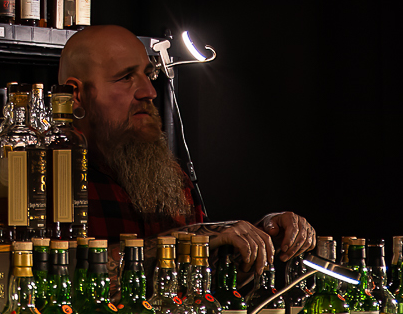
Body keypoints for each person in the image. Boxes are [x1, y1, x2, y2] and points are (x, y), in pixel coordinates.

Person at [59, 24, 314, 278]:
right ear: (75, 95)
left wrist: (261, 237)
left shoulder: (169, 176)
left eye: (149, 75)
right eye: (126, 77)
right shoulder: (52, 177)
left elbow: (201, 276)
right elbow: (60, 275)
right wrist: (191, 238)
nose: (149, 92)